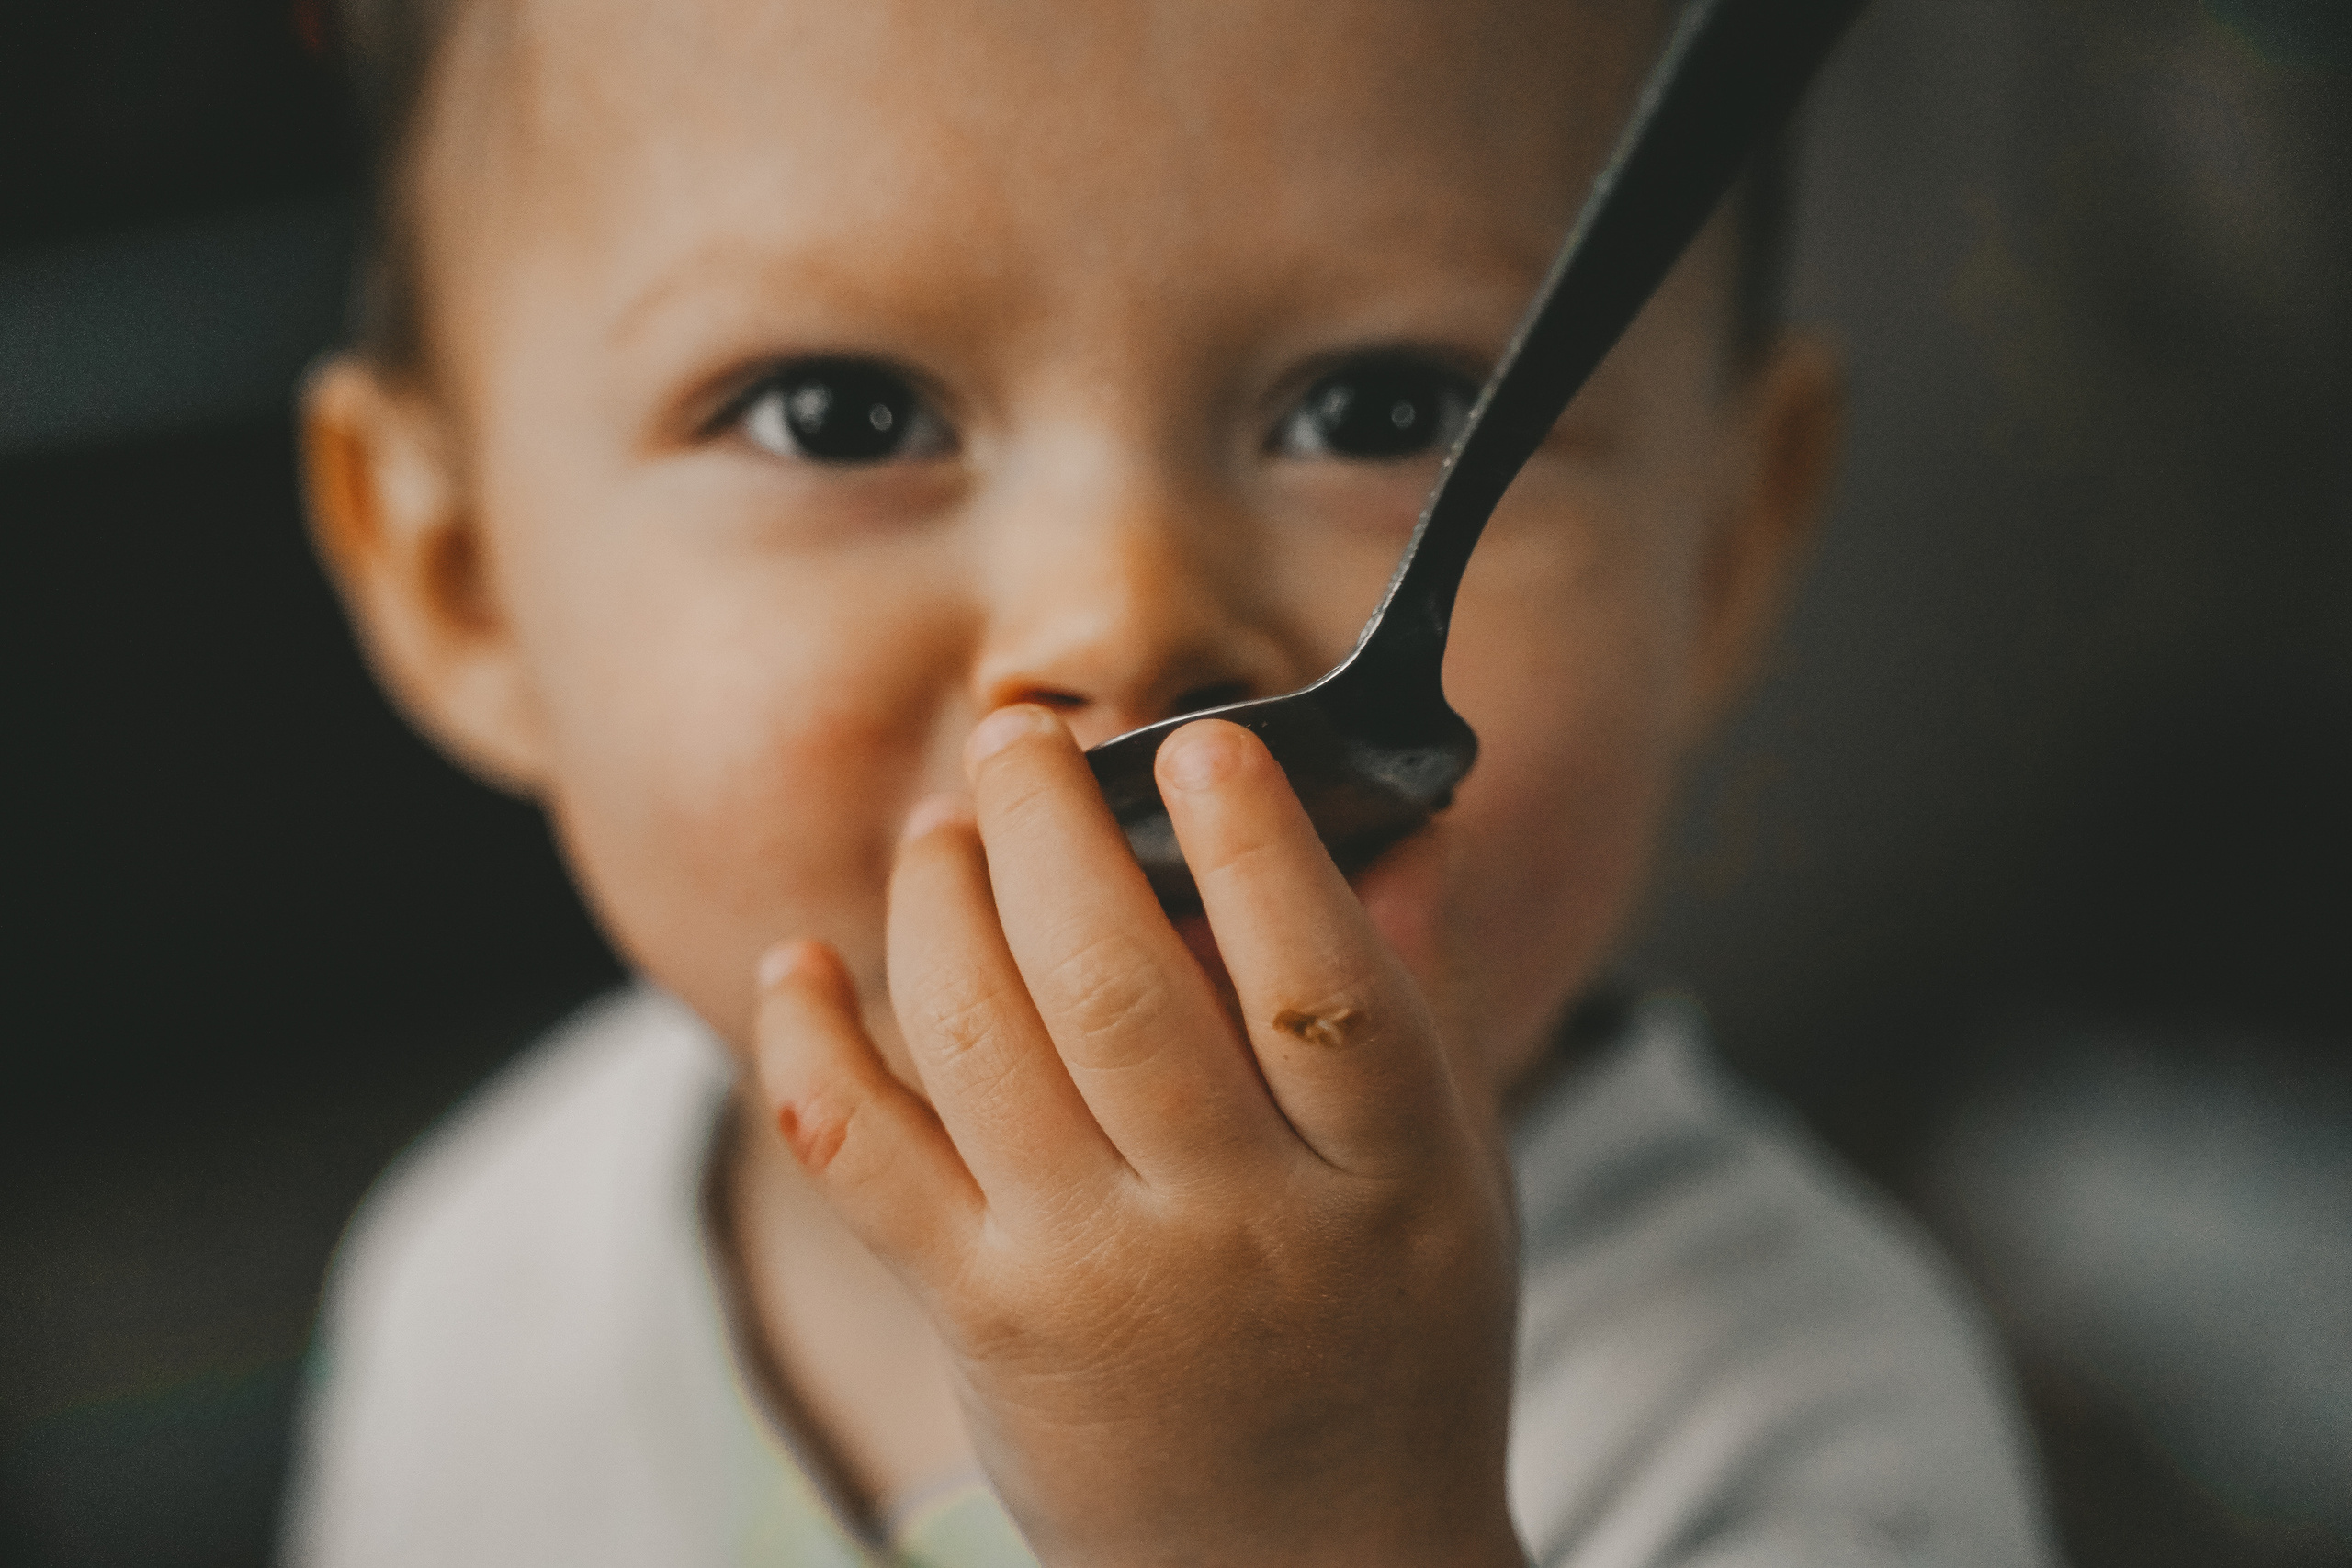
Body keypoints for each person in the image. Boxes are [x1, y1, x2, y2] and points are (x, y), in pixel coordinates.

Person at [283, 0, 2053, 1562]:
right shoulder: (482, 1273)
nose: (1121, 615)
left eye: (1381, 411)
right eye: (840, 414)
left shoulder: (1797, 1433)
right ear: (465, 581)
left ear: (1723, 549)